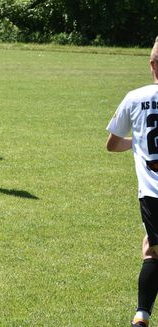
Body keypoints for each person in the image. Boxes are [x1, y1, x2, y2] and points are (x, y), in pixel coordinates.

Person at [106, 37, 158, 327]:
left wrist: (137, 142)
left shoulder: (135, 97)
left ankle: (142, 315)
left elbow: (112, 144)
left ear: (151, 64)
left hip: (152, 194)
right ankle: (141, 314)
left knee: (152, 249)